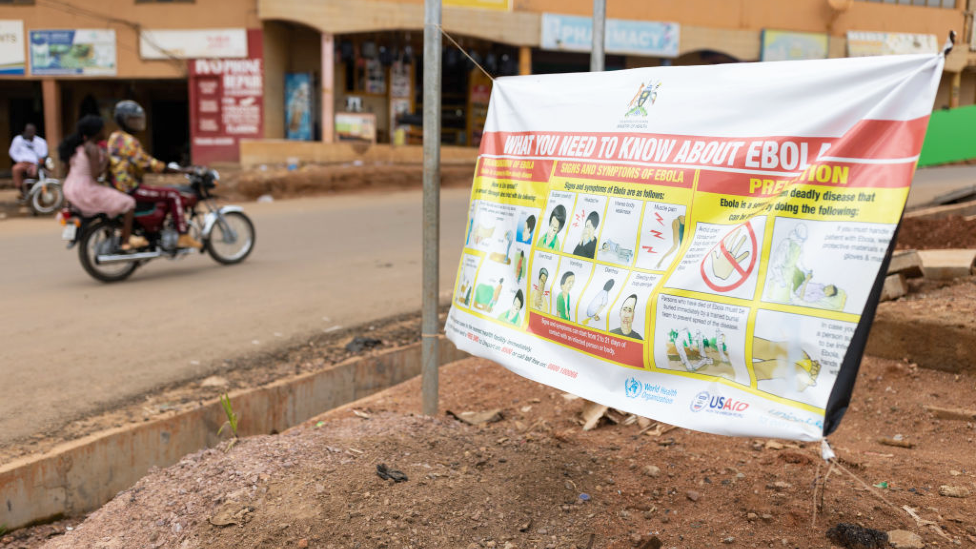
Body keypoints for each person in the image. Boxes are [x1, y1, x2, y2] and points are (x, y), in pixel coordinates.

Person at [106, 100, 201, 249]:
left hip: (119, 185)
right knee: (173, 194)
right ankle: (183, 235)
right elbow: (149, 164)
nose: (137, 123)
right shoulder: (129, 141)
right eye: (133, 119)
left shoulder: (114, 137)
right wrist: (181, 170)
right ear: (122, 120)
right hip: (130, 187)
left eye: (138, 119)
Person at [60, 115, 146, 251]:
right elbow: (96, 175)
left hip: (70, 188)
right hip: (86, 189)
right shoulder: (92, 148)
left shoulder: (78, 147)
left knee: (107, 207)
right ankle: (126, 242)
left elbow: (69, 168)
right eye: (103, 129)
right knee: (129, 203)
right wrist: (105, 160)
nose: (105, 131)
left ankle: (110, 234)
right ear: (97, 131)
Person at [9, 123, 48, 200]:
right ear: (25, 131)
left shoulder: (41, 142)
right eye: (28, 131)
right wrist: (20, 160)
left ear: (35, 132)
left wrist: (38, 163)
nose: (30, 133)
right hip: (22, 163)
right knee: (16, 169)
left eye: (31, 131)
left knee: (35, 173)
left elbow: (44, 155)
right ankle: (23, 192)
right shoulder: (18, 140)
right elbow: (12, 152)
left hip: (35, 164)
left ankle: (37, 193)